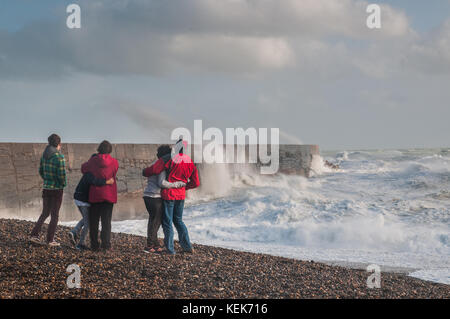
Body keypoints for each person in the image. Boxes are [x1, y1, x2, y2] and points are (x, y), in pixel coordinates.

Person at [143, 139, 200, 255]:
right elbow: (196, 183)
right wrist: (184, 187)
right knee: (178, 220)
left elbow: (154, 169)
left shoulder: (169, 159)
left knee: (167, 221)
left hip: (169, 195)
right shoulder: (190, 161)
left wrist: (144, 171)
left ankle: (170, 249)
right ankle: (187, 246)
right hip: (181, 196)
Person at [69, 154, 115, 250]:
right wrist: (107, 182)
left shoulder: (89, 170)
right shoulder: (90, 172)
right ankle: (80, 243)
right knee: (88, 222)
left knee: (87, 219)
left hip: (80, 198)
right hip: (82, 200)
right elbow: (94, 181)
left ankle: (74, 232)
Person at [81, 141, 119, 252]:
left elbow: (83, 169)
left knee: (94, 221)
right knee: (106, 221)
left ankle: (94, 245)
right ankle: (106, 245)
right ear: (110, 150)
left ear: (99, 149)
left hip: (95, 195)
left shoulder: (93, 161)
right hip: (109, 195)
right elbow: (114, 172)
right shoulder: (114, 162)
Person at [30, 134, 67, 247]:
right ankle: (50, 240)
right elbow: (62, 175)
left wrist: (47, 180)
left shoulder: (44, 155)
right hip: (56, 190)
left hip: (46, 188)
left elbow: (41, 171)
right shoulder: (59, 157)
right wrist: (62, 184)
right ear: (58, 144)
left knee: (45, 213)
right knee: (55, 215)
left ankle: (34, 235)